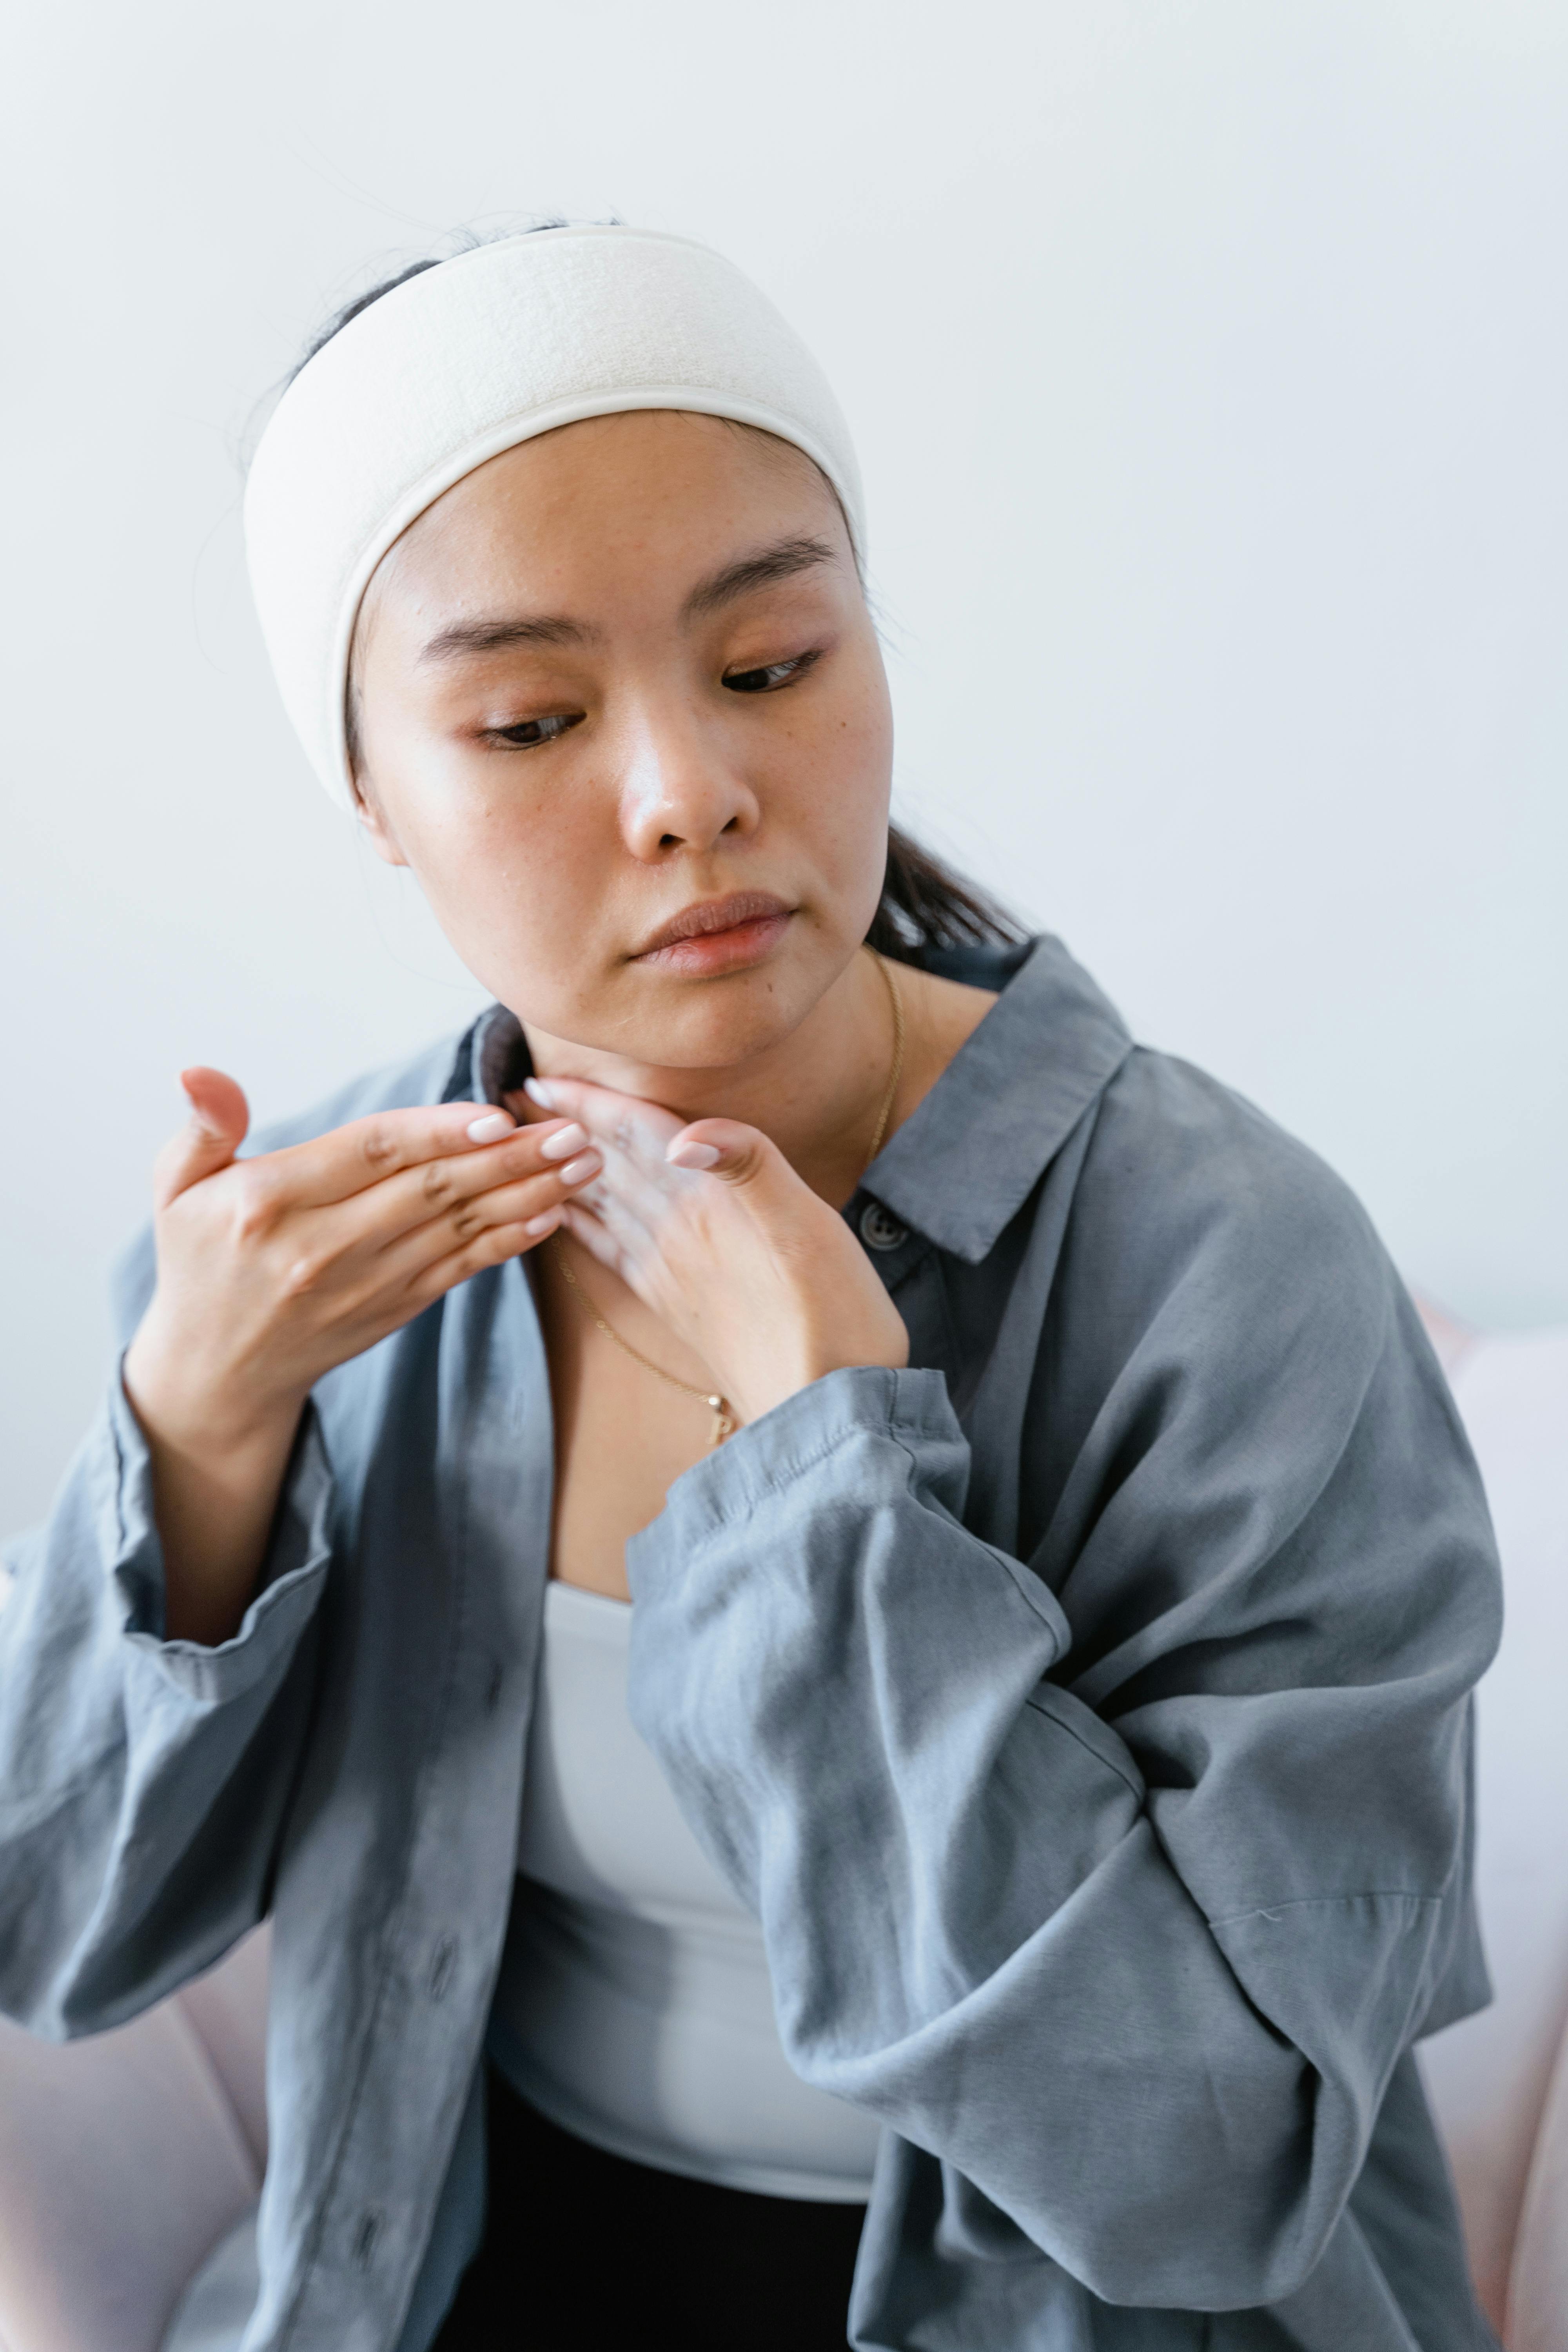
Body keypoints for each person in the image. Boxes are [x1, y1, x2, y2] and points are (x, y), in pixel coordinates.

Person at [0, 225, 1501, 2352]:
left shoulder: (1235, 1273)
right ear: (376, 801)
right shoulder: (340, 1269)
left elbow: (1210, 2170)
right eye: (527, 719)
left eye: (774, 664)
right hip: (475, 2266)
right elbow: (57, 1950)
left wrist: (832, 1493)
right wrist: (199, 1435)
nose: (688, 791)